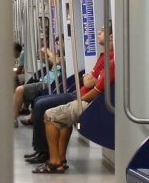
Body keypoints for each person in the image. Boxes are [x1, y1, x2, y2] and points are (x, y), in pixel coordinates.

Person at [26, 27, 111, 164]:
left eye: (102, 31)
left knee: (41, 104)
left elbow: (90, 83)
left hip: (83, 97)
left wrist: (85, 85)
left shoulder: (111, 59)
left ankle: (44, 151)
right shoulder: (104, 55)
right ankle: (42, 150)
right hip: (80, 93)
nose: (98, 33)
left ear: (111, 37)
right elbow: (87, 80)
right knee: (39, 100)